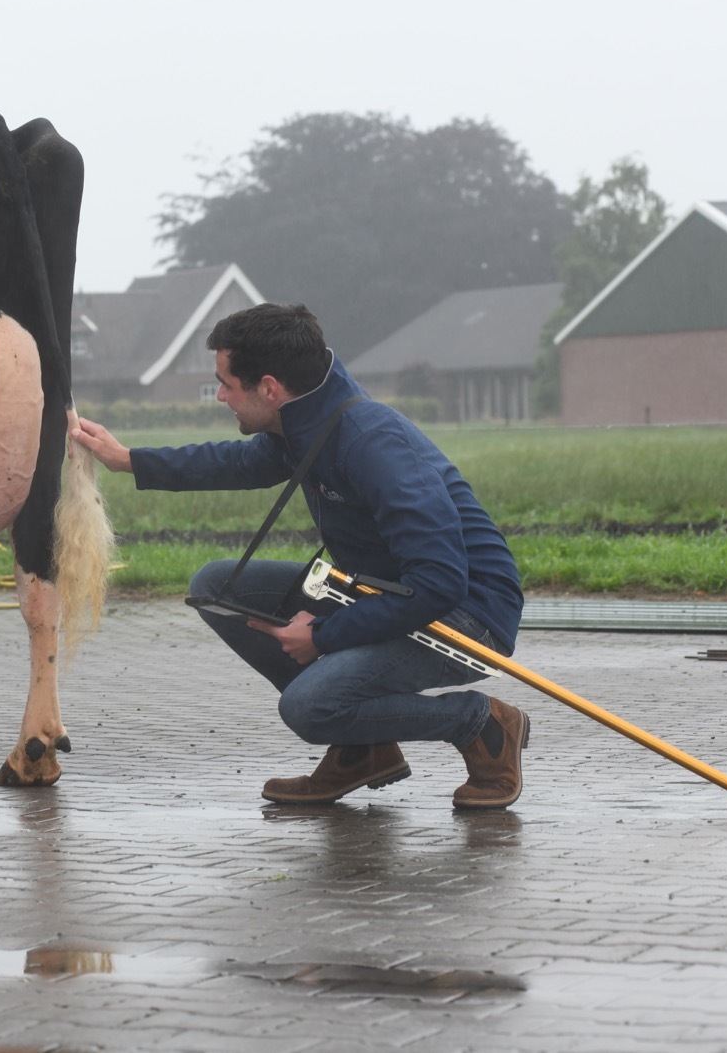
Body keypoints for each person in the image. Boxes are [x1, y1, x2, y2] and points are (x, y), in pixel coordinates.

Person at [71, 303, 530, 808]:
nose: (221, 395)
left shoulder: (371, 442)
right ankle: (364, 749)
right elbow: (237, 461)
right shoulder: (306, 420)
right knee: (217, 589)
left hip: (465, 617)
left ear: (269, 387)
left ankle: (481, 723)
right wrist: (129, 460)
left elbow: (440, 582)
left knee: (308, 707)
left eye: (226, 383)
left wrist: (322, 636)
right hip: (390, 594)